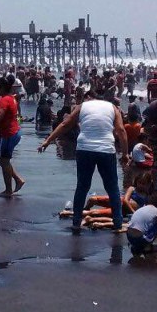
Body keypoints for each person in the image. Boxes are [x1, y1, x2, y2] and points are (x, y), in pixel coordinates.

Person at [39, 88, 129, 232]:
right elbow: (121, 130)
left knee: (82, 186)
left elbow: (65, 124)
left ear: (90, 98)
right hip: (106, 149)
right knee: (112, 188)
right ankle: (118, 223)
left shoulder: (82, 106)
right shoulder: (113, 107)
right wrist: (125, 154)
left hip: (85, 149)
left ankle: (76, 222)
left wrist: (48, 140)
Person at [0, 75, 25, 196]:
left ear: (2, 87)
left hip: (8, 134)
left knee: (3, 160)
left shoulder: (4, 100)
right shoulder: (11, 98)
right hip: (11, 132)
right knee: (2, 160)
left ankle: (9, 190)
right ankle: (18, 180)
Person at [126, 192, 157, 256]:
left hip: (129, 236)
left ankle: (137, 247)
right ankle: (147, 248)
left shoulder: (143, 208)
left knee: (149, 225)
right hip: (140, 239)